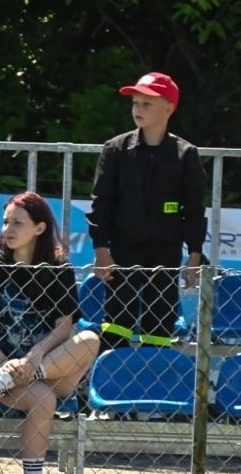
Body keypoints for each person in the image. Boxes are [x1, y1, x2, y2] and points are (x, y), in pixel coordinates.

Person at [0, 193, 102, 474]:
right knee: (43, 400)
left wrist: (33, 359)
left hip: (48, 368)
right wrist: (3, 363)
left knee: (90, 338)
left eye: (17, 223)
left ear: (40, 228)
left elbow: (63, 327)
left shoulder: (58, 270)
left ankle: (21, 377)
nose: (7, 229)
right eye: (5, 221)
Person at [86, 72, 207, 349]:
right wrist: (101, 251)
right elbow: (101, 203)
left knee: (160, 330)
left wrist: (195, 255)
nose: (137, 109)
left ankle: (153, 388)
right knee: (115, 329)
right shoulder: (115, 149)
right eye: (135, 103)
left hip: (165, 254)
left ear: (169, 108)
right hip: (122, 253)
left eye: (146, 103)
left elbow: (194, 209)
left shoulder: (186, 154)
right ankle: (110, 387)